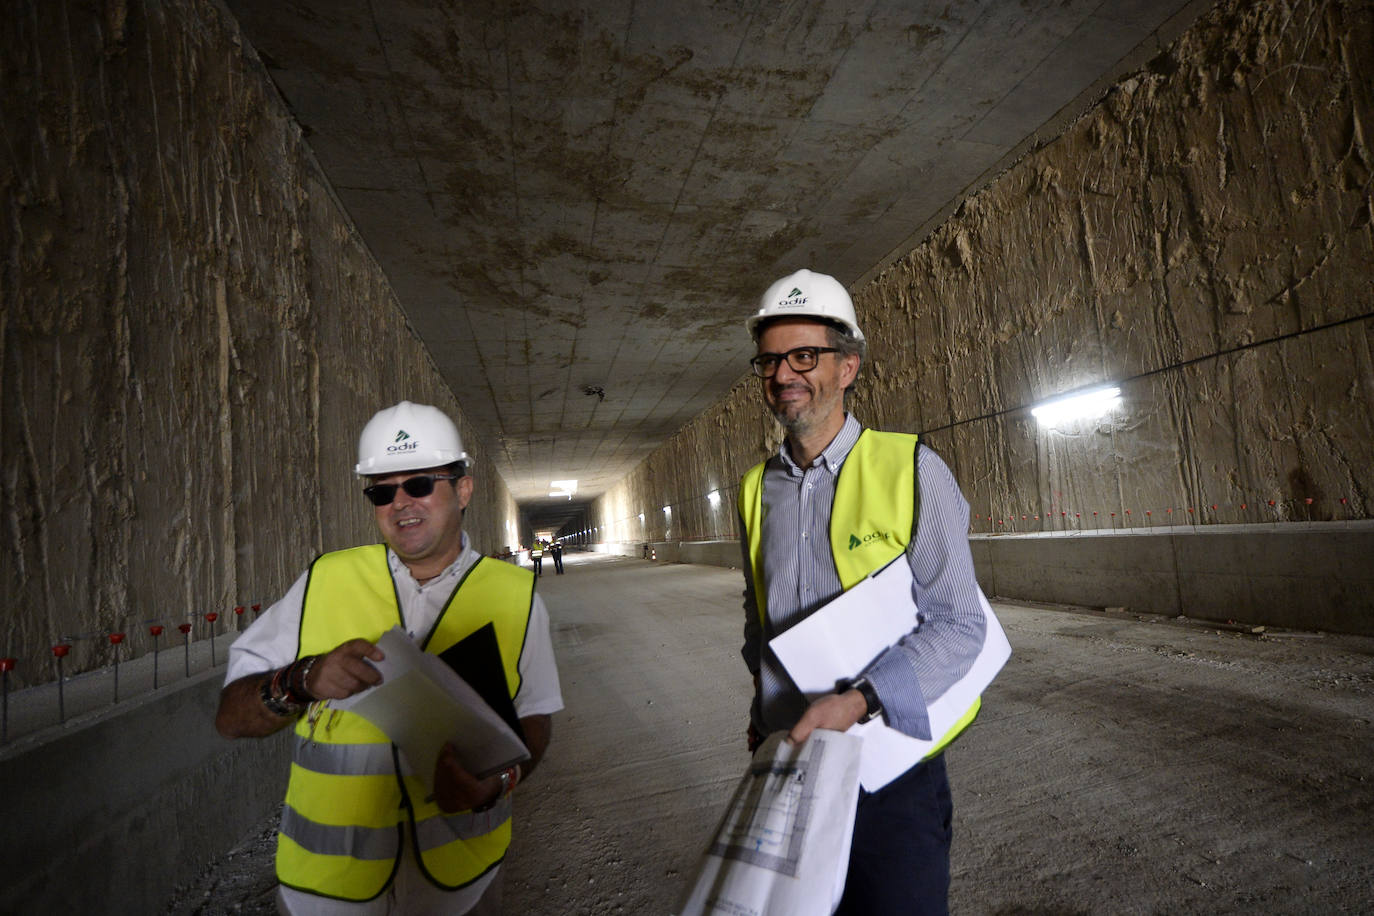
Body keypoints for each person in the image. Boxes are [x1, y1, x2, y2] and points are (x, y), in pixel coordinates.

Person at [215, 400, 563, 915]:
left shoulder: (514, 595)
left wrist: (496, 782)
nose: (401, 503)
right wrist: (303, 678)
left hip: (461, 888)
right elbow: (230, 717)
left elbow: (535, 714)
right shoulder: (325, 581)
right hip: (328, 892)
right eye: (382, 490)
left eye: (419, 483)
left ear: (462, 489)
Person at [737, 269, 989, 916]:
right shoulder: (754, 491)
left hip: (891, 769)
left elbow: (961, 624)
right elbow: (757, 619)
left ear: (847, 367)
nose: (784, 374)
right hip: (795, 762)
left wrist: (859, 700)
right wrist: (764, 707)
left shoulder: (910, 469)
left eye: (804, 356)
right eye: (770, 359)